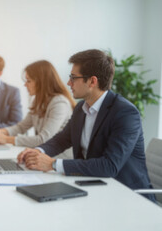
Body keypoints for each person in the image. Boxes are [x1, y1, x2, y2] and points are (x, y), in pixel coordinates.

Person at [17, 49, 155, 201]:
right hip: (93, 187)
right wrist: (37, 151)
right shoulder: (81, 108)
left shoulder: (125, 113)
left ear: (92, 81)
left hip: (127, 196)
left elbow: (109, 166)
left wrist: (54, 164)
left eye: (73, 78)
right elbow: (62, 139)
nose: (69, 83)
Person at [0, 60, 76, 152]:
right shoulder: (38, 101)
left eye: (28, 81)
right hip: (43, 154)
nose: (25, 85)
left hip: (58, 159)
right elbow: (21, 127)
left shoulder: (60, 104)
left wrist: (6, 139)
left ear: (41, 82)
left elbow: (43, 139)